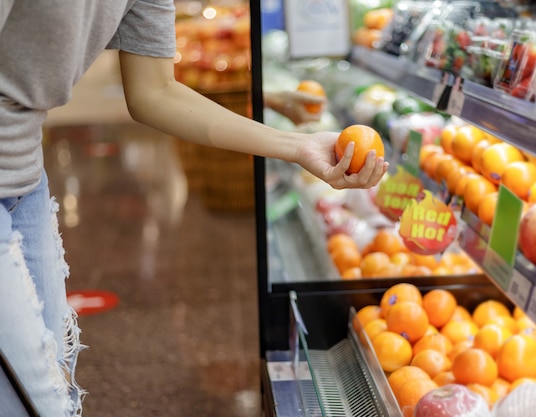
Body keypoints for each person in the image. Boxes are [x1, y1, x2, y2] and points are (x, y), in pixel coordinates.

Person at [0, 1, 388, 416]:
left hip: (25, 175)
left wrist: (298, 147)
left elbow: (155, 91)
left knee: (54, 367)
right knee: (36, 395)